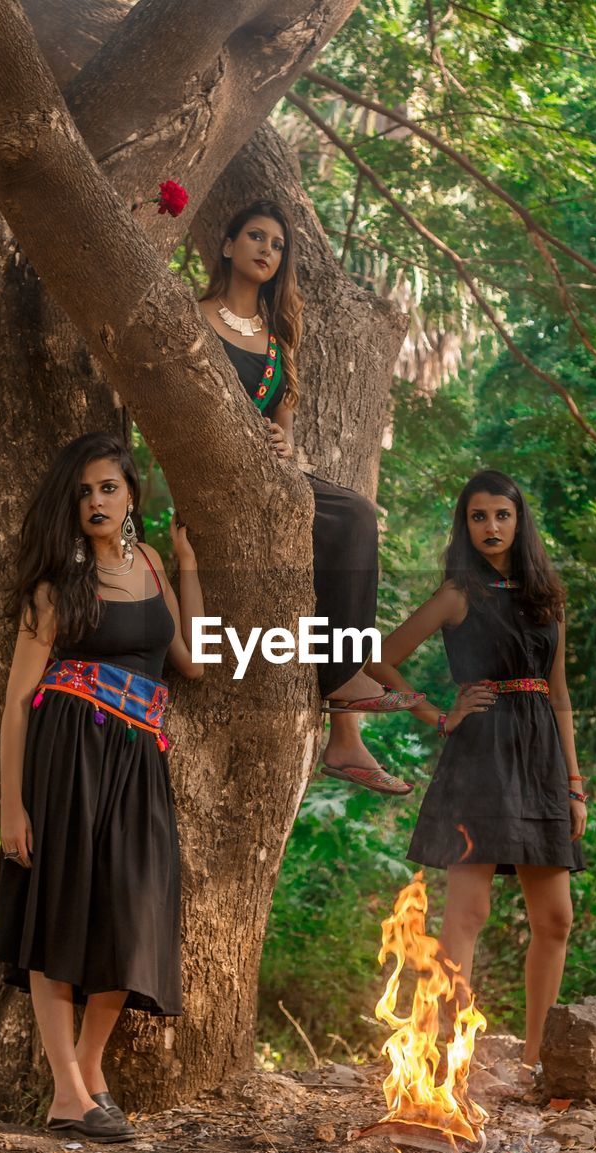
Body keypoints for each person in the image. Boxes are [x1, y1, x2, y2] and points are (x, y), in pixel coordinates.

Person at [0, 432, 205, 1141]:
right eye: (83, 492)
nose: (95, 501)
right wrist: (12, 807)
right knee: (59, 913)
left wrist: (187, 565)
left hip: (139, 762)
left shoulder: (149, 563)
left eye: (108, 488)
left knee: (129, 911)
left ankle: (86, 1075)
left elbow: (194, 663)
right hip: (67, 759)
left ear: (131, 496)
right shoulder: (53, 591)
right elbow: (19, 700)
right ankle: (67, 1090)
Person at [199, 200, 421, 796]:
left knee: (351, 520)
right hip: (212, 476)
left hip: (270, 477)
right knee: (349, 512)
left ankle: (345, 736)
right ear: (227, 245)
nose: (266, 250)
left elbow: (288, 438)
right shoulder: (192, 319)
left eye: (276, 244)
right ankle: (346, 680)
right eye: (254, 236)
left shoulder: (276, 342)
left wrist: (283, 443)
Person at [370, 470, 587, 1067]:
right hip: (481, 756)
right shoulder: (457, 593)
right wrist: (440, 715)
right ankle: (447, 1058)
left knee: (556, 918)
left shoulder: (549, 596)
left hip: (540, 757)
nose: (490, 527)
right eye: (478, 517)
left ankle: (537, 1059)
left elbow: (559, 692)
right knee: (468, 913)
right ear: (465, 526)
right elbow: (380, 660)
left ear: (519, 523)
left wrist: (574, 784)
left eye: (501, 515)